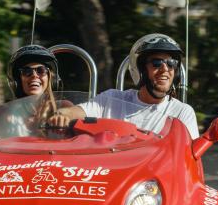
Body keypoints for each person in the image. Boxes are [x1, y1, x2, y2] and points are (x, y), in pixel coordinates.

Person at [48, 33, 199, 139]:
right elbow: (78, 111)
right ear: (140, 70)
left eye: (171, 64)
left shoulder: (181, 112)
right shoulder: (112, 99)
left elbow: (188, 157)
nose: (165, 69)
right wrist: (62, 115)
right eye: (157, 63)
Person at [0, 45, 61, 135]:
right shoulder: (8, 112)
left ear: (50, 78)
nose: (34, 75)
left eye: (41, 70)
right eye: (27, 71)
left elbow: (74, 111)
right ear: (18, 80)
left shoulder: (60, 107)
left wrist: (63, 115)